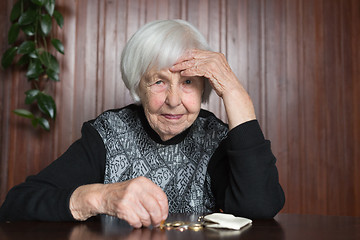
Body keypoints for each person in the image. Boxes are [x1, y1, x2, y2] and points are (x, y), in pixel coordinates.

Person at [0, 19, 285, 228]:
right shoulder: (108, 133)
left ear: (205, 88)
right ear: (139, 86)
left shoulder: (216, 138)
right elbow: (16, 204)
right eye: (159, 81)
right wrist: (99, 198)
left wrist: (235, 93)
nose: (174, 100)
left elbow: (260, 208)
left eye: (188, 82)